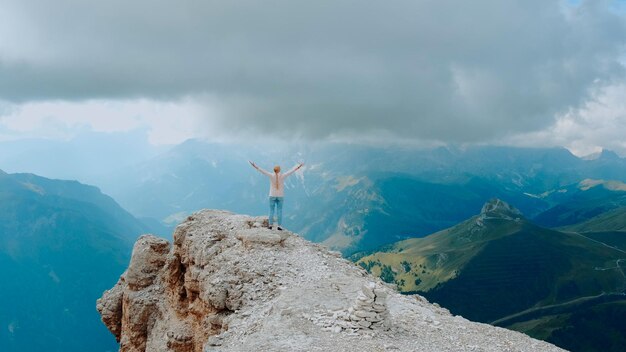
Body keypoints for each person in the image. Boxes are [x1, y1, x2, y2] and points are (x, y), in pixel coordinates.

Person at [249, 161, 304, 230]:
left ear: (274, 170)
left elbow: (263, 171)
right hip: (280, 196)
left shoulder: (271, 175)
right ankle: (279, 226)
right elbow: (291, 171)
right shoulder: (283, 176)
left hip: (272, 195)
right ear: (279, 170)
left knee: (271, 210)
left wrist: (255, 166)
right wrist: (299, 166)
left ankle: (270, 225)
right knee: (279, 210)